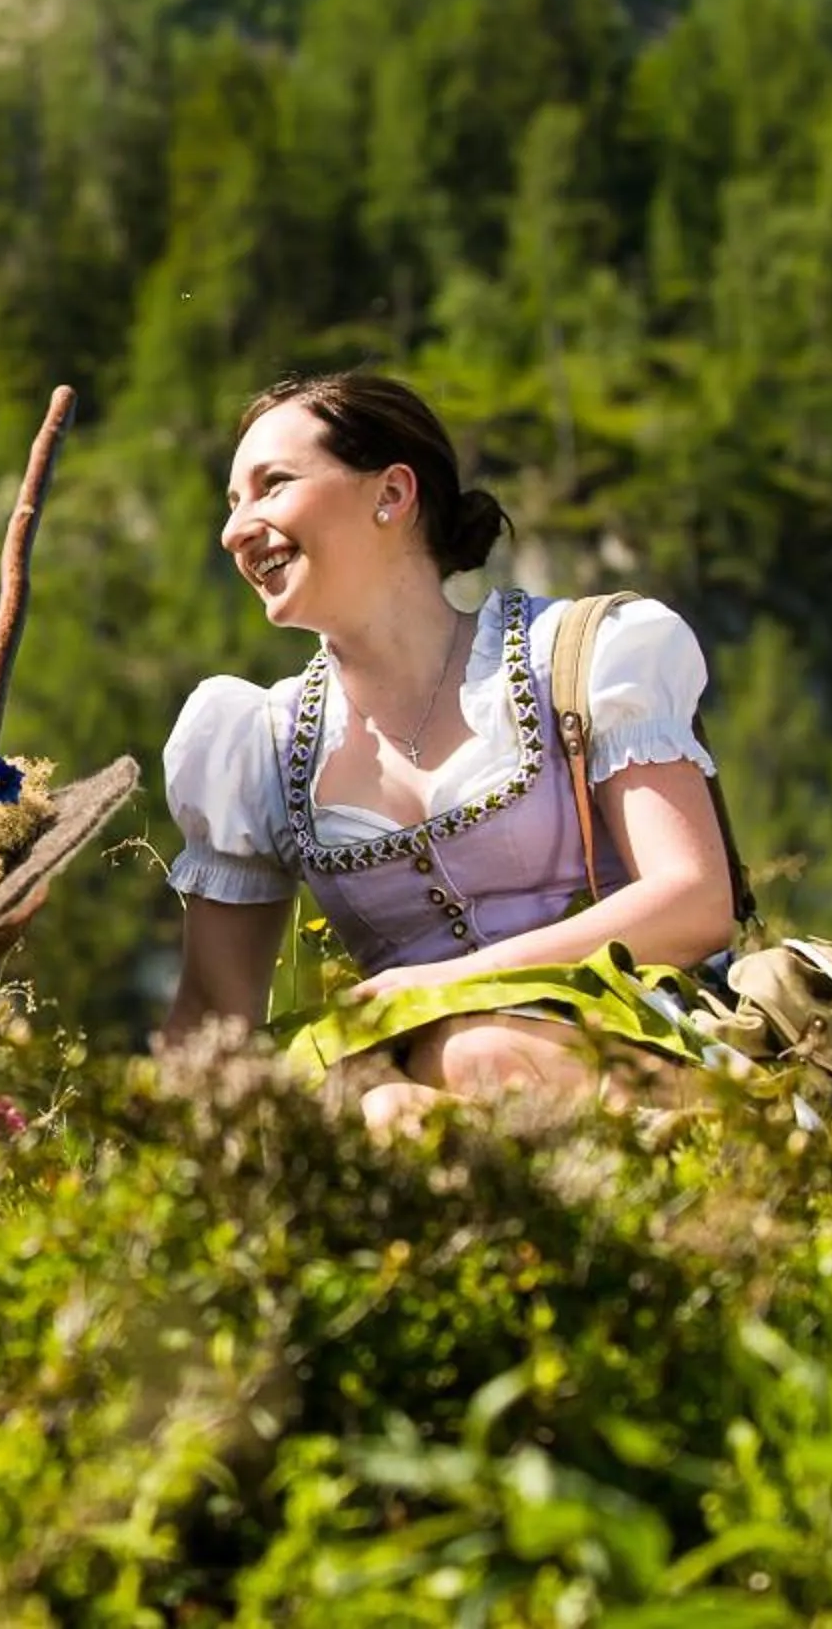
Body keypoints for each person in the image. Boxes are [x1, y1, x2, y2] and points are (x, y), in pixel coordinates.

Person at [159, 372, 741, 1131]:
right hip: (403, 1060)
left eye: (272, 486)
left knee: (475, 1055)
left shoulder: (575, 656)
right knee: (381, 1109)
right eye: (232, 505)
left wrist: (441, 988)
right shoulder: (256, 741)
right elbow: (213, 1016)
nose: (238, 529)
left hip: (633, 1040)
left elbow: (696, 902)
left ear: (392, 495)